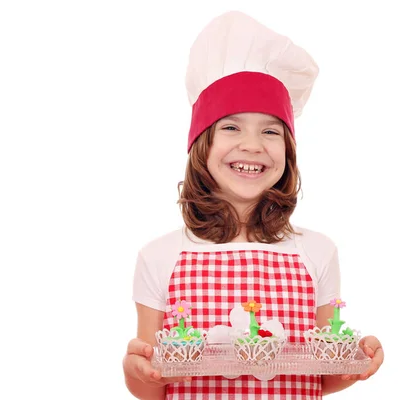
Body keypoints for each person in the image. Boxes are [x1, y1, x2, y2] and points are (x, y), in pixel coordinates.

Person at [122, 10, 384, 400]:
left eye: (270, 130)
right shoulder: (161, 256)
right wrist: (137, 370)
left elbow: (323, 378)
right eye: (231, 126)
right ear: (201, 145)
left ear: (288, 152)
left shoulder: (317, 252)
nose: (252, 144)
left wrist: (354, 366)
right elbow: (150, 388)